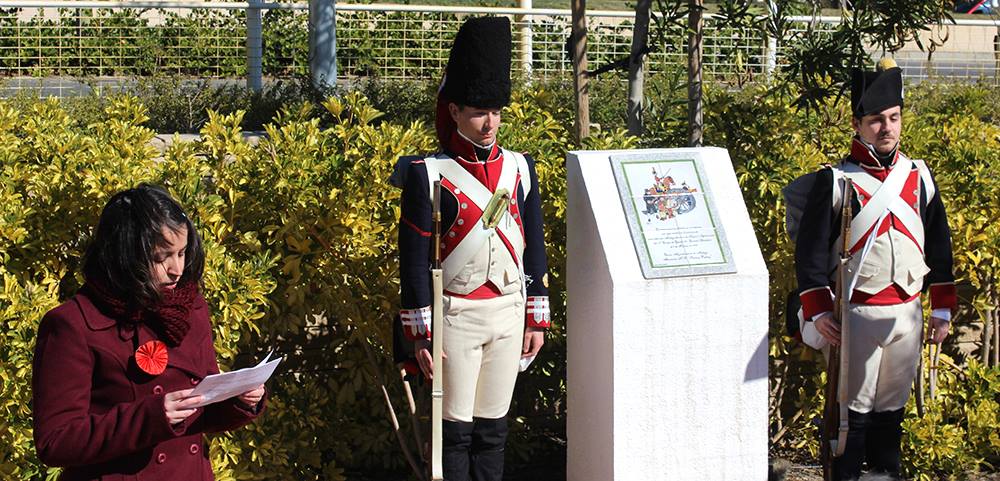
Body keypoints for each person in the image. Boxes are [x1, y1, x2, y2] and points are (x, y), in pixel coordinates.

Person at [395, 16, 550, 481]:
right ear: (456, 111)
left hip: (507, 310)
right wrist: (420, 333)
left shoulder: (520, 169)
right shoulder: (428, 173)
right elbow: (414, 259)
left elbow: (534, 245)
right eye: (479, 112)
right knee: (455, 434)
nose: (489, 123)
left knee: (494, 432)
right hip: (455, 317)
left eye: (496, 112)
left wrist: (536, 316)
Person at [32, 184, 266, 480]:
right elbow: (56, 441)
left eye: (182, 253)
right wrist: (150, 417)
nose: (177, 269)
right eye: (161, 257)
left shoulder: (189, 308)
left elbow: (201, 412)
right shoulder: (72, 324)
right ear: (124, 254)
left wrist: (239, 399)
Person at [794, 59, 956, 480]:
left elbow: (939, 245)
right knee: (852, 420)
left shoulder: (919, 177)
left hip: (908, 312)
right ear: (857, 124)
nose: (886, 128)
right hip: (858, 316)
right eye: (876, 120)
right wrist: (818, 308)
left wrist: (941, 308)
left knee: (891, 415)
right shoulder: (836, 181)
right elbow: (810, 255)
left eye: (894, 118)